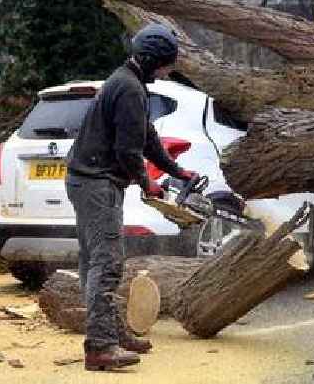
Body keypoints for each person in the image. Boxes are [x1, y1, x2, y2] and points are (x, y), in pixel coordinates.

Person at [65, 23, 198, 371]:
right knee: (105, 263)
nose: (168, 70)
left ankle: (112, 331)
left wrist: (175, 171)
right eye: (167, 64)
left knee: (96, 261)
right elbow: (128, 150)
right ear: (154, 59)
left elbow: (146, 137)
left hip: (90, 180)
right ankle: (101, 347)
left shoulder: (128, 83)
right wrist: (145, 183)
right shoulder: (128, 88)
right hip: (97, 183)